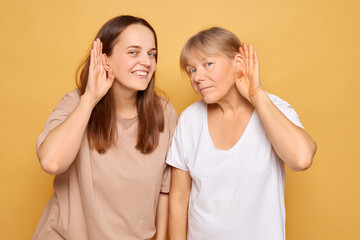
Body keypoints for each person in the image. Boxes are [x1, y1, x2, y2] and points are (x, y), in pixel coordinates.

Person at [33, 15, 177, 240]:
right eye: (133, 52)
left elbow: (165, 189)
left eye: (151, 54)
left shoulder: (165, 114)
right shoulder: (76, 103)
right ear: (105, 60)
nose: (147, 62)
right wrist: (90, 98)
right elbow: (52, 162)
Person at [166, 27, 317, 240]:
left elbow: (301, 159)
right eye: (191, 70)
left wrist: (257, 95)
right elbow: (179, 197)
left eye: (207, 64)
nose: (197, 77)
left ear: (238, 62)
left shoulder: (274, 108)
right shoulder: (190, 119)